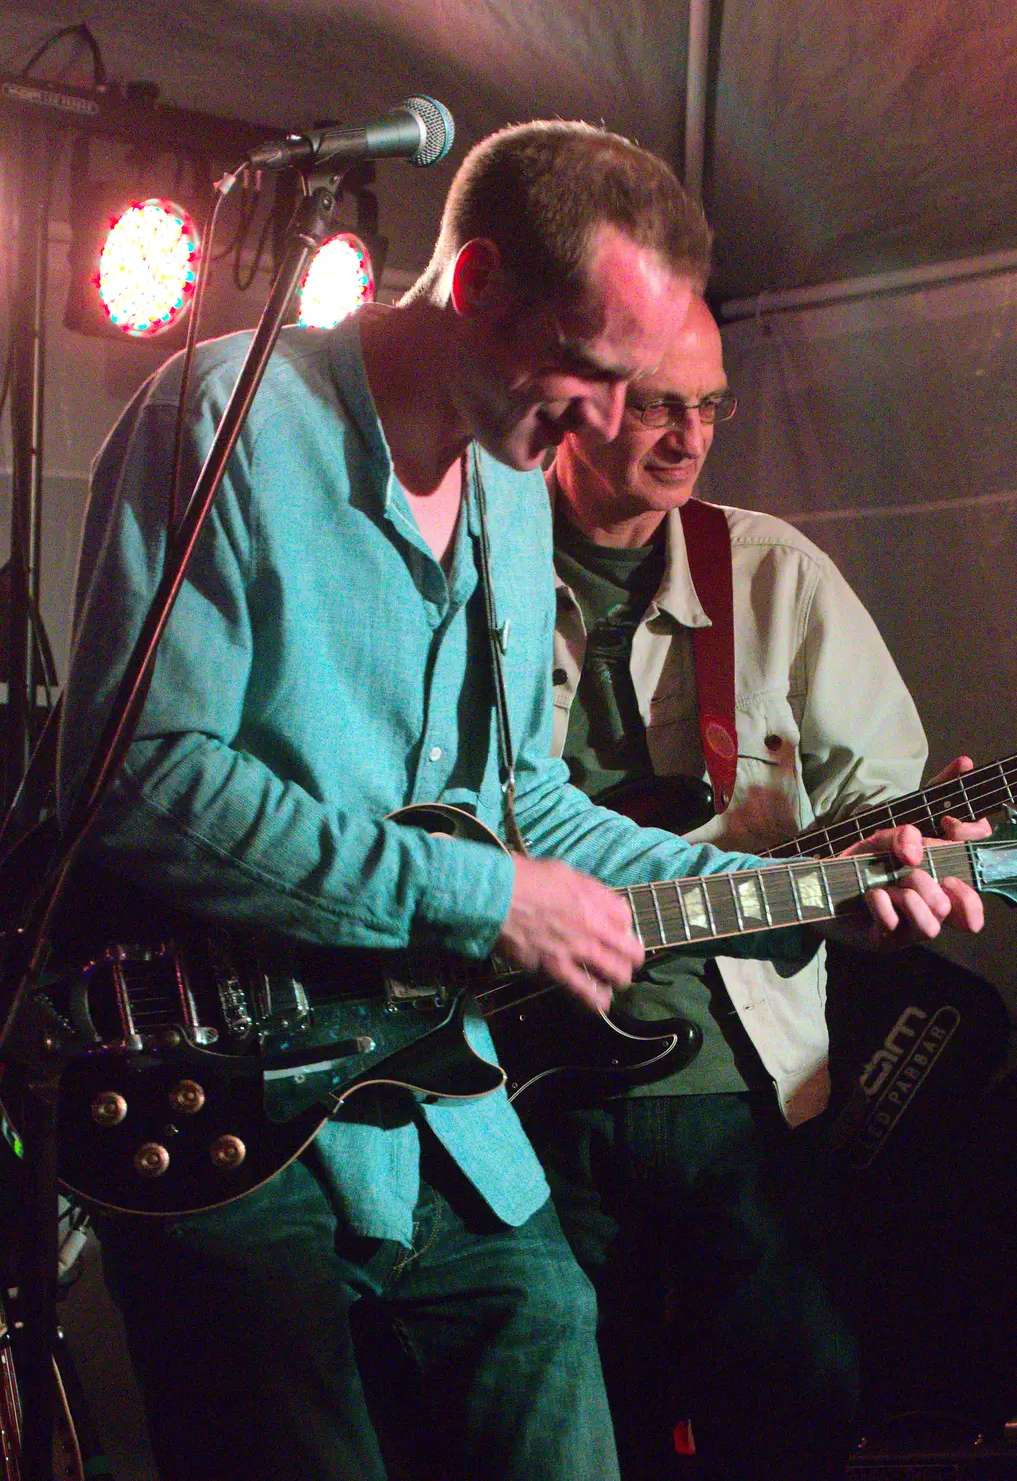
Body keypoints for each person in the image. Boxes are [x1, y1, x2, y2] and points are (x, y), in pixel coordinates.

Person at [55, 122, 983, 1481]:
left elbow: (520, 799)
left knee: (558, 1390)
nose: (615, 423)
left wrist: (807, 888)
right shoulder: (220, 420)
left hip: (436, 1107)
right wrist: (485, 895)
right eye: (591, 371)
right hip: (216, 1093)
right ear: (475, 284)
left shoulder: (505, 482)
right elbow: (143, 776)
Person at [538, 292, 990, 1480]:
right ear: (576, 398)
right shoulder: (475, 557)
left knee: (793, 1410)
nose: (688, 438)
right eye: (656, 406)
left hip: (744, 1086)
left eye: (710, 407)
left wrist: (902, 892)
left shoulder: (776, 576)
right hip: (510, 1091)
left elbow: (881, 830)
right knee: (575, 1433)